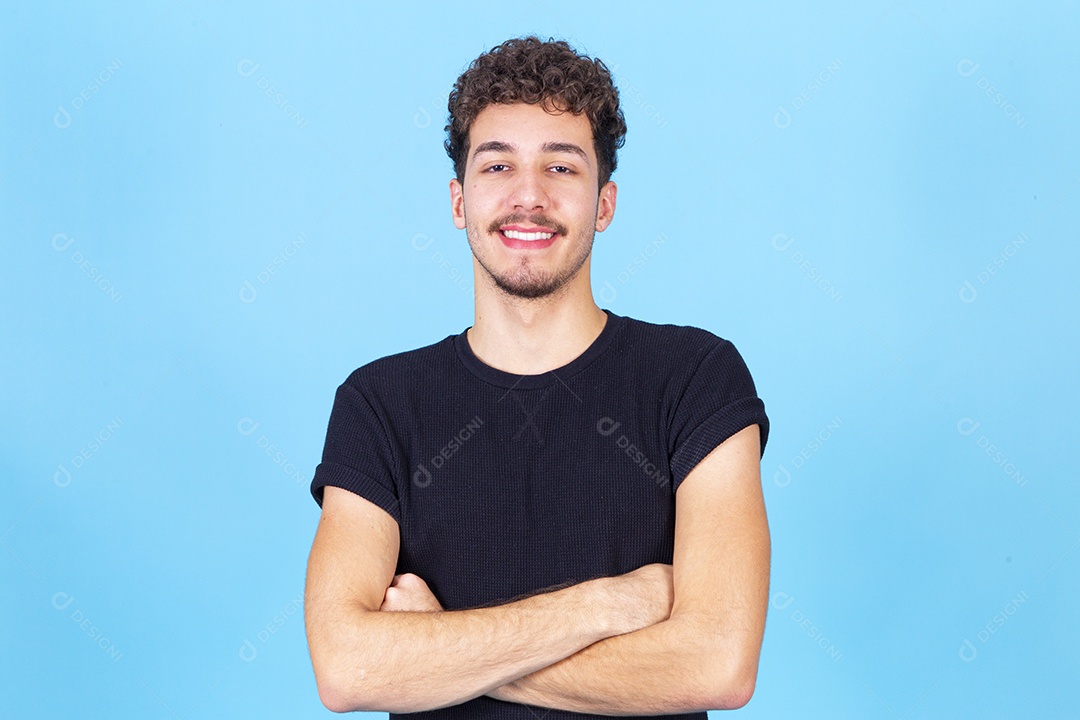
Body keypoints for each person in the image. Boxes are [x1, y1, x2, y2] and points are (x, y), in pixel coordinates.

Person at [304, 35, 771, 718]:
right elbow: (347, 668)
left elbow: (717, 665)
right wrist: (609, 603)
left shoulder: (697, 378)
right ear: (459, 201)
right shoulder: (380, 403)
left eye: (562, 167)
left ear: (604, 204)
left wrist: (436, 644)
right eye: (498, 167)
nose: (529, 196)